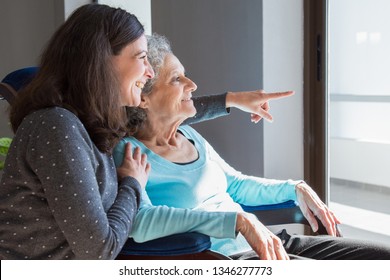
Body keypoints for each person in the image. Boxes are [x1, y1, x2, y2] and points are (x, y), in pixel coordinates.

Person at [0, 4, 293, 260]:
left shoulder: (92, 125)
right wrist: (132, 185)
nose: (149, 72)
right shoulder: (57, 127)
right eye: (141, 57)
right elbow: (99, 251)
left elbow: (161, 112)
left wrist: (232, 100)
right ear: (102, 61)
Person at [113, 33, 390, 260]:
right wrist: (236, 221)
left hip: (267, 242)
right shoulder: (129, 153)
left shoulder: (190, 136)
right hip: (229, 259)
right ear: (143, 97)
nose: (192, 84)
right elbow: (141, 221)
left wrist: (295, 187)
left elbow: (236, 185)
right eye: (176, 79)